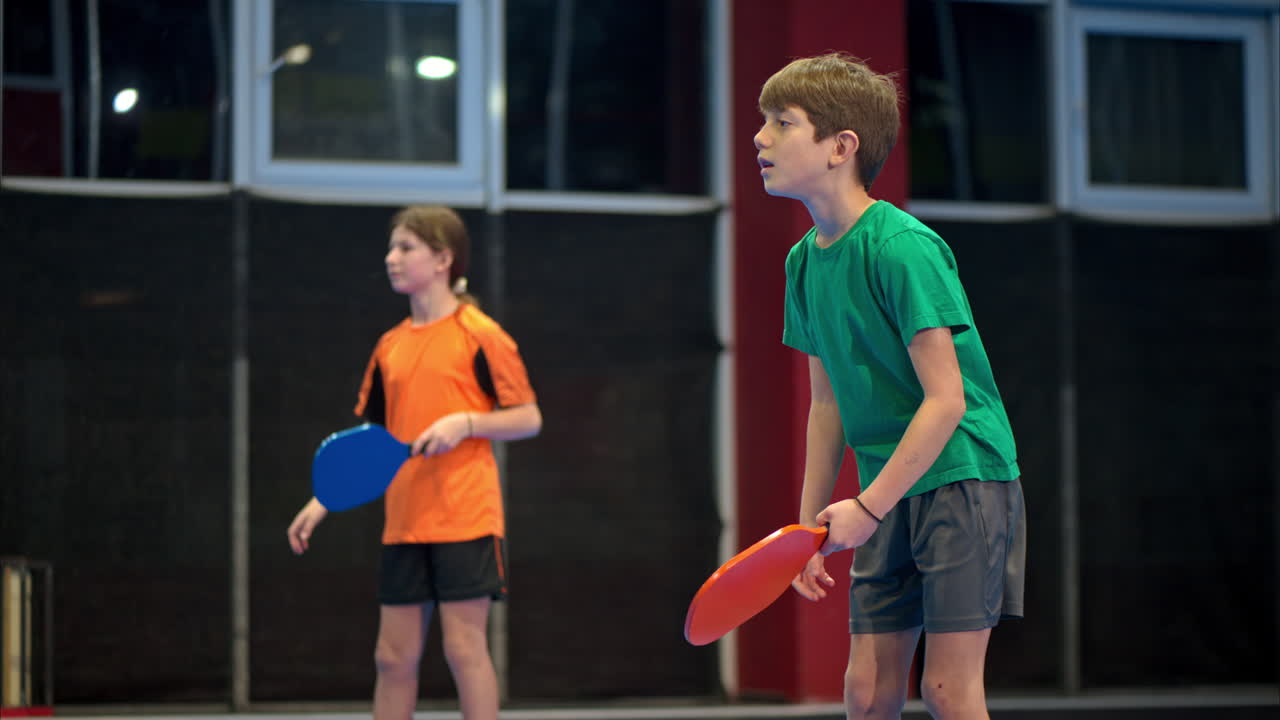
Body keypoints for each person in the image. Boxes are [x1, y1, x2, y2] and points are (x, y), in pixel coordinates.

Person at [753, 53, 1025, 720]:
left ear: (841, 147)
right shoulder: (801, 264)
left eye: (782, 122)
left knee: (945, 690)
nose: (760, 138)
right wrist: (805, 531)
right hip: (888, 485)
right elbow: (827, 406)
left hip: (962, 475)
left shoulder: (903, 247)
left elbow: (947, 399)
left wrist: (868, 508)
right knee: (867, 691)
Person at [287, 205, 542, 720]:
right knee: (391, 658)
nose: (391, 258)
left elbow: (528, 417)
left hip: (465, 518)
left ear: (444, 258)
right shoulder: (390, 347)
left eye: (406, 248)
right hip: (404, 524)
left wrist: (465, 423)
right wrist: (324, 499)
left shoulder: (480, 334)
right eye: (391, 248)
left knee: (463, 649)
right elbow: (375, 441)